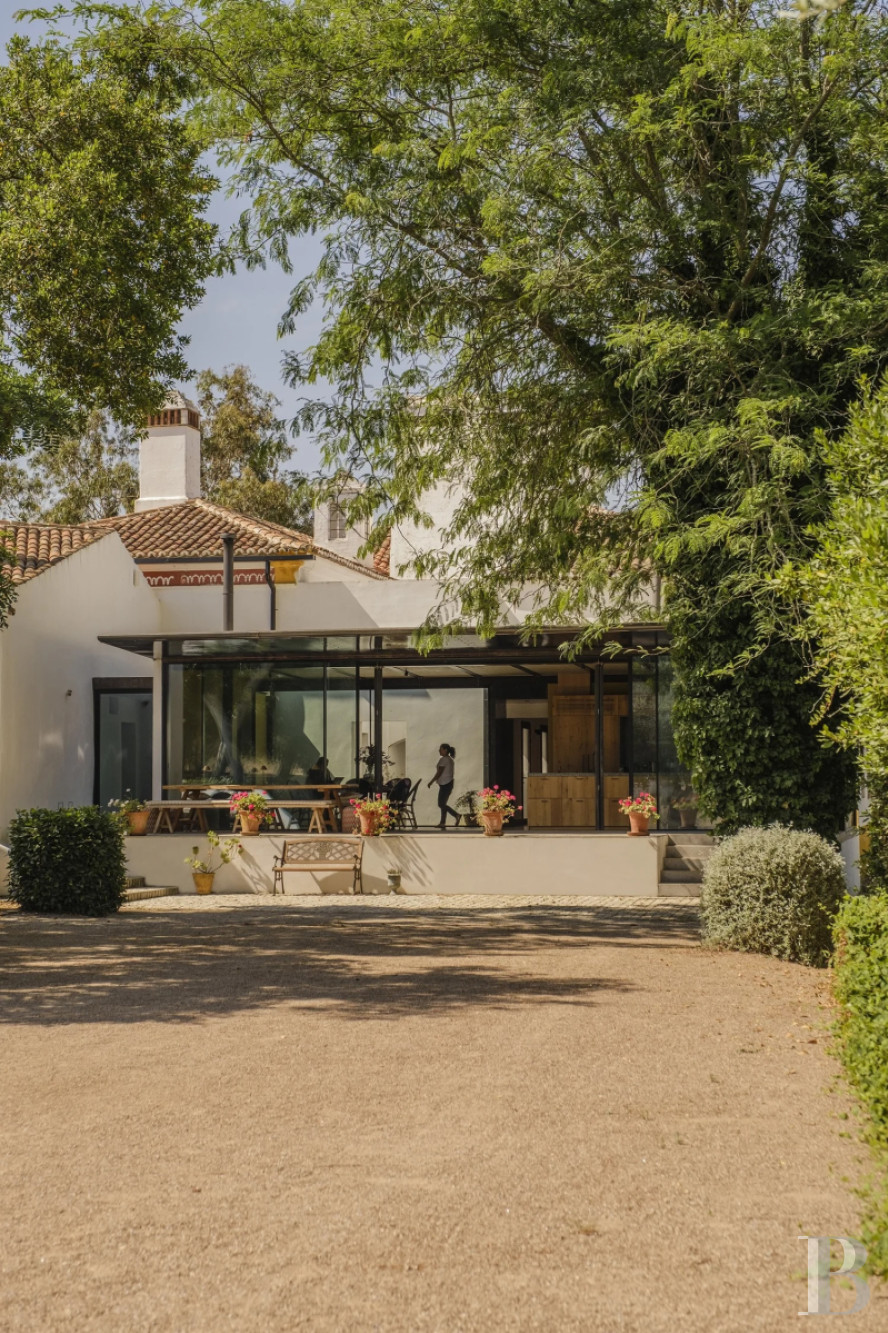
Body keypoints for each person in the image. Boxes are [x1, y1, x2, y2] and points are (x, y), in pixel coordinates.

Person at [428, 743, 460, 828]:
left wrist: (431, 781)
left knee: (441, 804)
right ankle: (443, 822)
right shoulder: (449, 759)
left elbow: (439, 772)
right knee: (442, 804)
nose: (439, 750)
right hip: (447, 784)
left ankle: (456, 815)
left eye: (441, 749)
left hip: (446, 784)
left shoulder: (444, 759)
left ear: (445, 750)